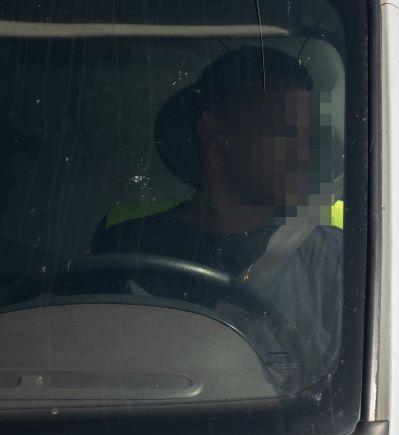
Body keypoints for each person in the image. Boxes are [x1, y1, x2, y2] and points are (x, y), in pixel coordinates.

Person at [91, 46, 341, 376]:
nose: (303, 156)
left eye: (307, 139)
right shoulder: (126, 246)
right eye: (285, 132)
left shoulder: (327, 257)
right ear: (215, 133)